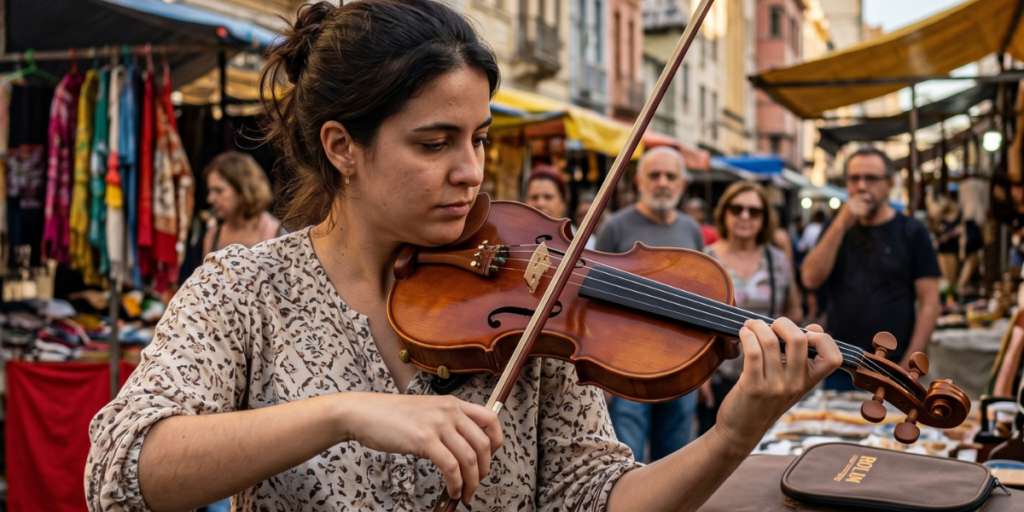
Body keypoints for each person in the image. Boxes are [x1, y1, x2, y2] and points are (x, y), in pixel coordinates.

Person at [85, 2, 842, 511]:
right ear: (342, 147)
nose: (472, 171)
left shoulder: (535, 292)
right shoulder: (246, 289)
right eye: (434, 142)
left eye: (478, 138)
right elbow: (120, 470)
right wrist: (345, 413)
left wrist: (735, 434)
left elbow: (599, 498)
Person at [595, 146, 704, 462]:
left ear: (682, 184)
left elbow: (701, 299)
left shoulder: (691, 229)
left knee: (674, 461)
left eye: (670, 176)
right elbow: (593, 304)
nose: (662, 182)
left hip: (682, 362)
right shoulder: (615, 226)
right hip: (628, 364)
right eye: (654, 175)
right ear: (639, 181)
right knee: (628, 460)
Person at [802, 146, 939, 391]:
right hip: (838, 362)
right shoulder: (836, 228)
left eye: (871, 178)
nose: (862, 186)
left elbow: (929, 301)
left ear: (890, 184)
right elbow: (810, 279)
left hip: (892, 365)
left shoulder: (912, 231)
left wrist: (912, 362)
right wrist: (842, 224)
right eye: (854, 178)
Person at [698, 182, 802, 435]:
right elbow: (694, 322)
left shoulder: (776, 259)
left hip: (768, 377)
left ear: (764, 219)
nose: (745, 216)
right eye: (737, 209)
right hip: (719, 376)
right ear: (724, 213)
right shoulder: (705, 258)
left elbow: (794, 311)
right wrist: (700, 377)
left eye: (754, 211)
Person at [202, 151, 285, 256]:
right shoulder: (213, 236)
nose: (210, 199)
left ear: (242, 190)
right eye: (210, 191)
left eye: (219, 191)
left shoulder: (276, 234)